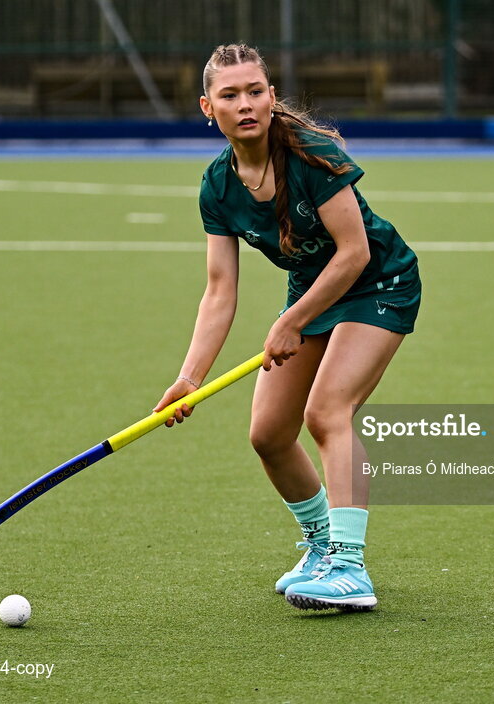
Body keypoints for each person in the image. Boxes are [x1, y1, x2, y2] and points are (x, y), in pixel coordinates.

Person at [151, 44, 420, 612]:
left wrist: (291, 322)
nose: (245, 104)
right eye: (230, 95)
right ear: (208, 107)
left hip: (378, 283)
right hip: (311, 294)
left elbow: (353, 252)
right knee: (269, 434)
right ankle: (322, 544)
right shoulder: (217, 186)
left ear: (272, 97)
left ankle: (349, 566)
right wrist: (190, 377)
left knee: (327, 411)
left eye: (255, 91)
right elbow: (220, 290)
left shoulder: (312, 155)